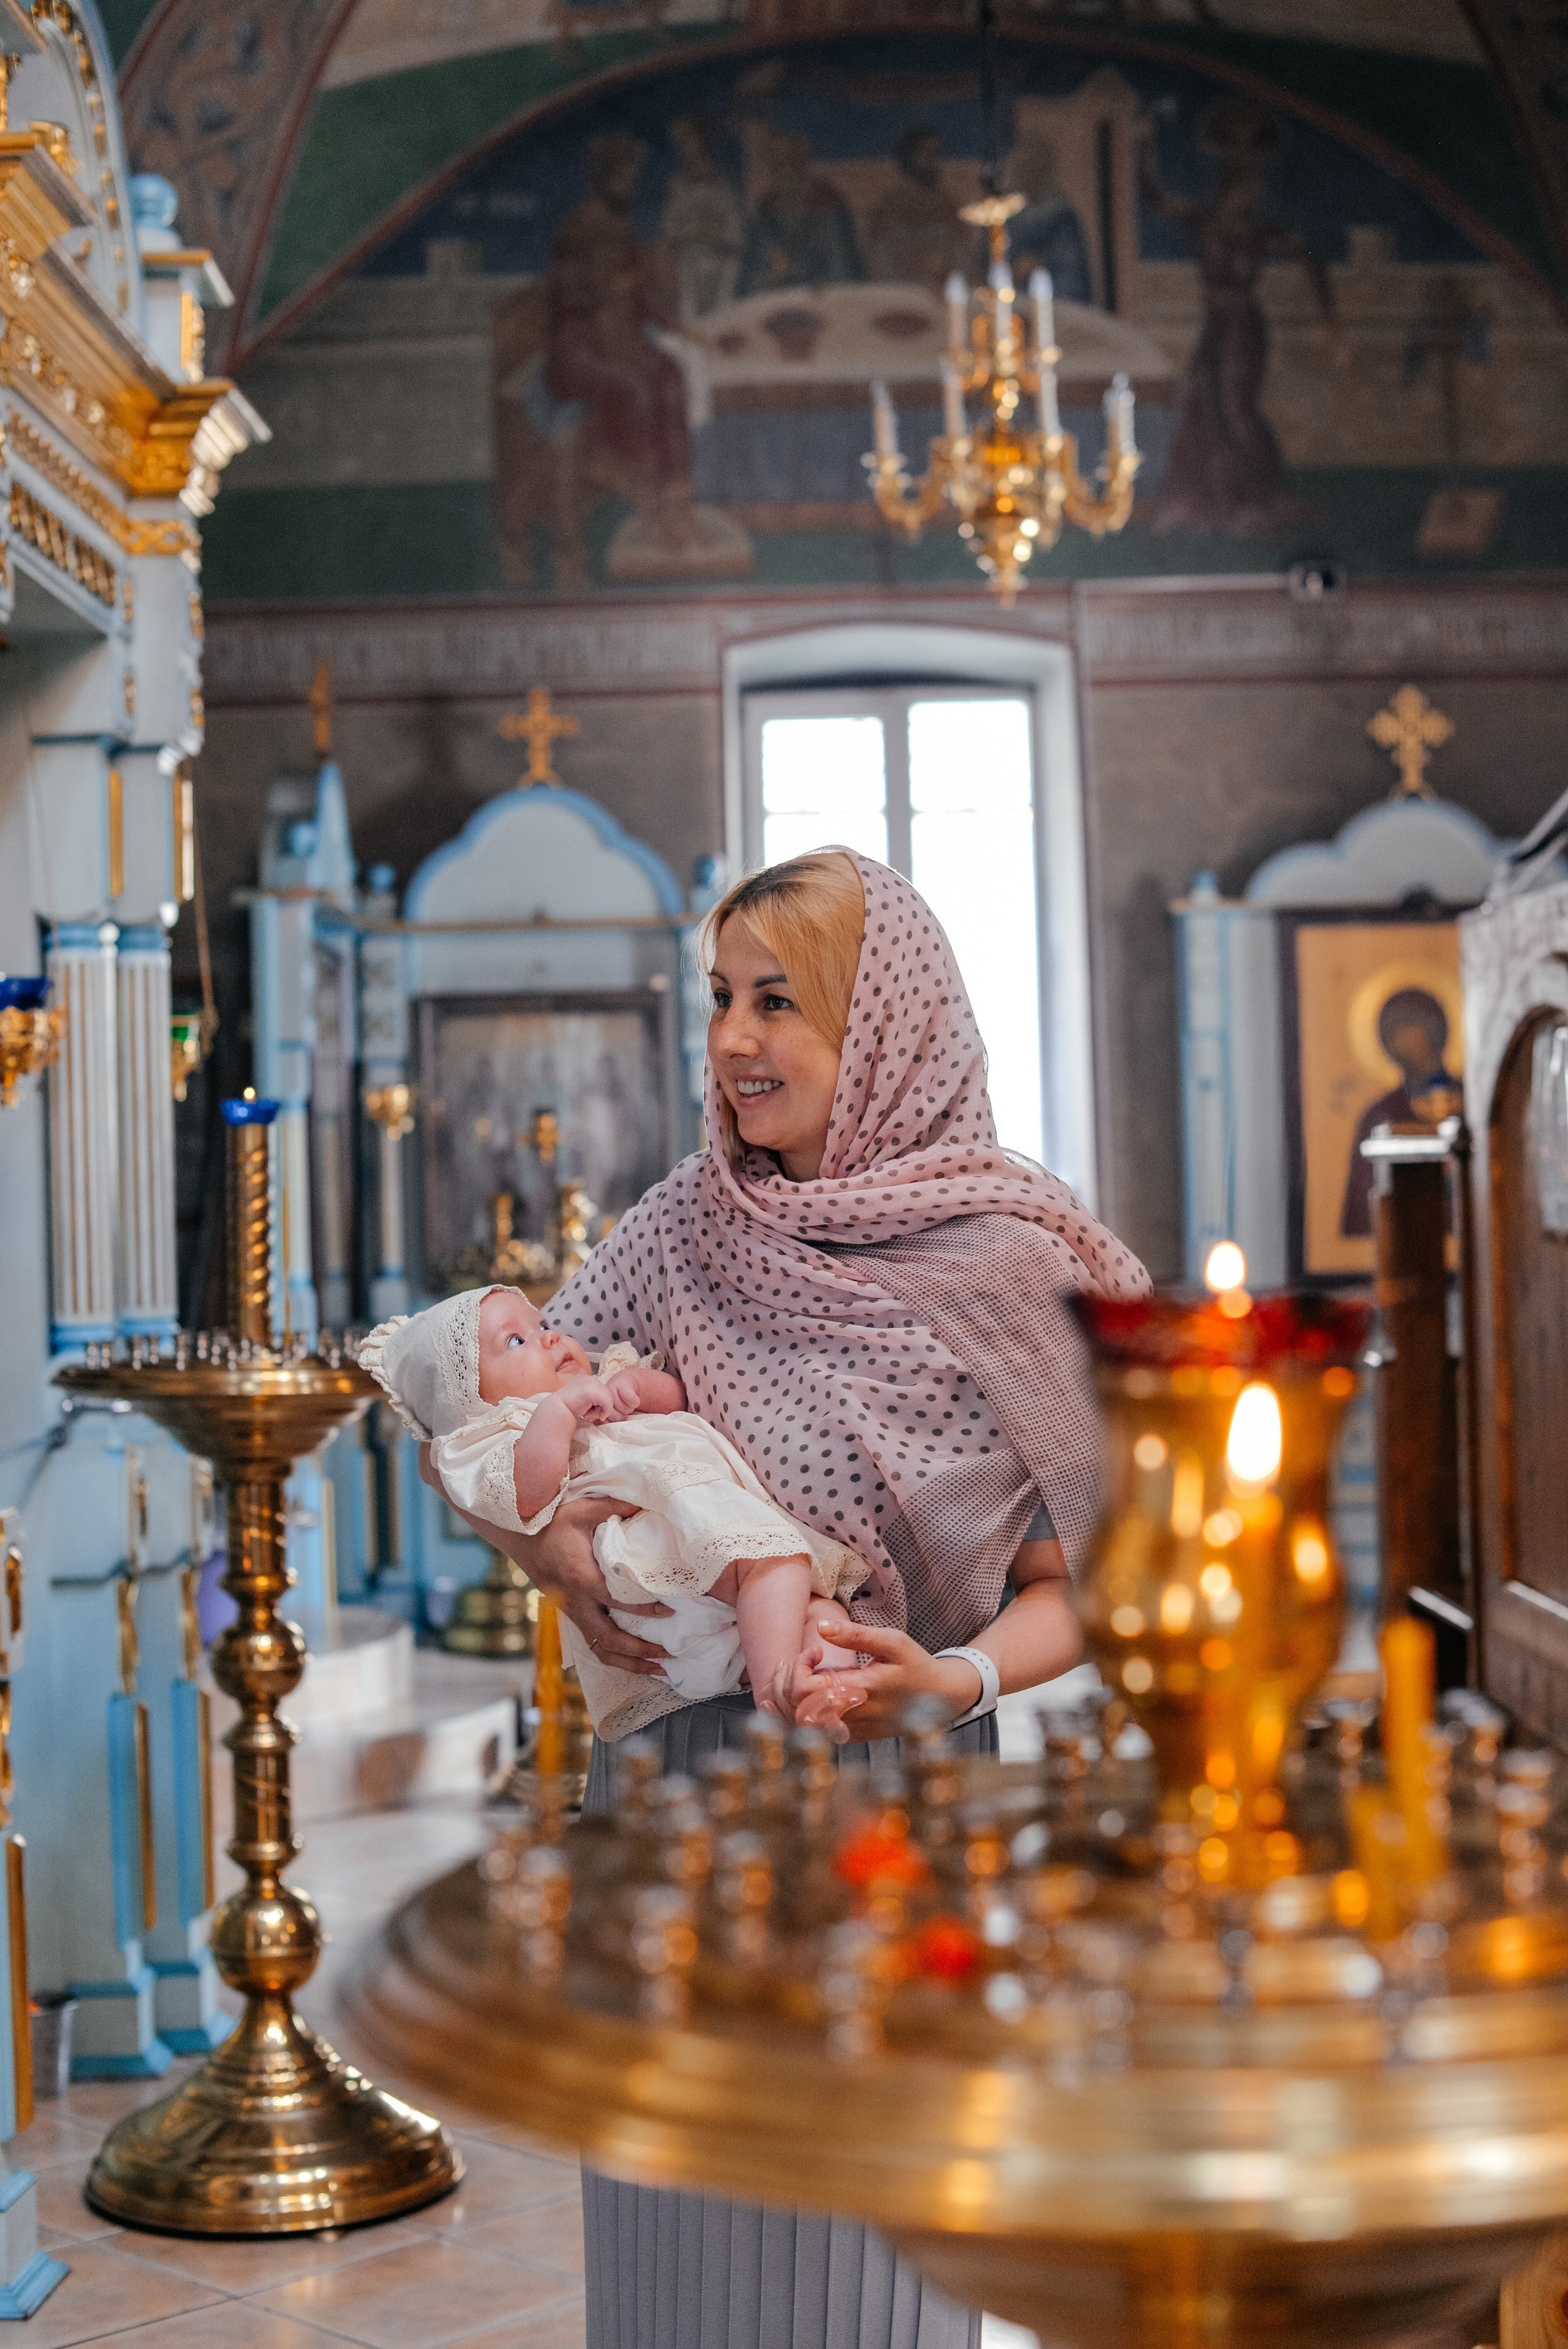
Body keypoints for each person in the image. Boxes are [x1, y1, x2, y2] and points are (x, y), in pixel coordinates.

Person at [423, 847, 1148, 2349]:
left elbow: (1076, 1583)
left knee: (869, 2238)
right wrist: (547, 1549)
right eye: (718, 999)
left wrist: (950, 1683)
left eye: (776, 1001)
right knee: (677, 2224)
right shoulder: (687, 1222)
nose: (734, 1039)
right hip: (669, 1791)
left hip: (893, 1785)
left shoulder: (1010, 1258)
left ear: (881, 1027)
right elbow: (481, 1419)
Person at [363, 1284, 868, 1741]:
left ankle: (817, 1694)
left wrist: (637, 1390)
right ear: (473, 1402)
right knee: (773, 1562)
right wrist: (557, 1413)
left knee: (824, 1617)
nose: (549, 1338)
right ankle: (777, 1699)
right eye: (515, 1342)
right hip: (661, 1570)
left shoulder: (603, 1382)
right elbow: (527, 1498)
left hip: (709, 1610)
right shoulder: (508, 1434)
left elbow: (678, 1400)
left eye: (541, 1326)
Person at [1340, 985, 1463, 1238]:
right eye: (1391, 1033)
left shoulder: (1474, 1104)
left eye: (1407, 1027)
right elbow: (1361, 1211)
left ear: (1435, 1029)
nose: (1399, 1041)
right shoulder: (1379, 1115)